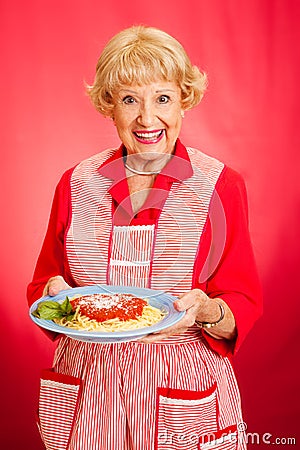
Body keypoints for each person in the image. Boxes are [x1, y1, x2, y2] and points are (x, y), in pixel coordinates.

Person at [27, 25, 262, 450]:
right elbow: (44, 286)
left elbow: (241, 304)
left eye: (163, 98)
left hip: (182, 393)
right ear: (109, 106)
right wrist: (51, 292)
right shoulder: (74, 183)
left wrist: (208, 310)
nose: (147, 119)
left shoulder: (220, 186)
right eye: (130, 100)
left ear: (184, 101)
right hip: (88, 390)